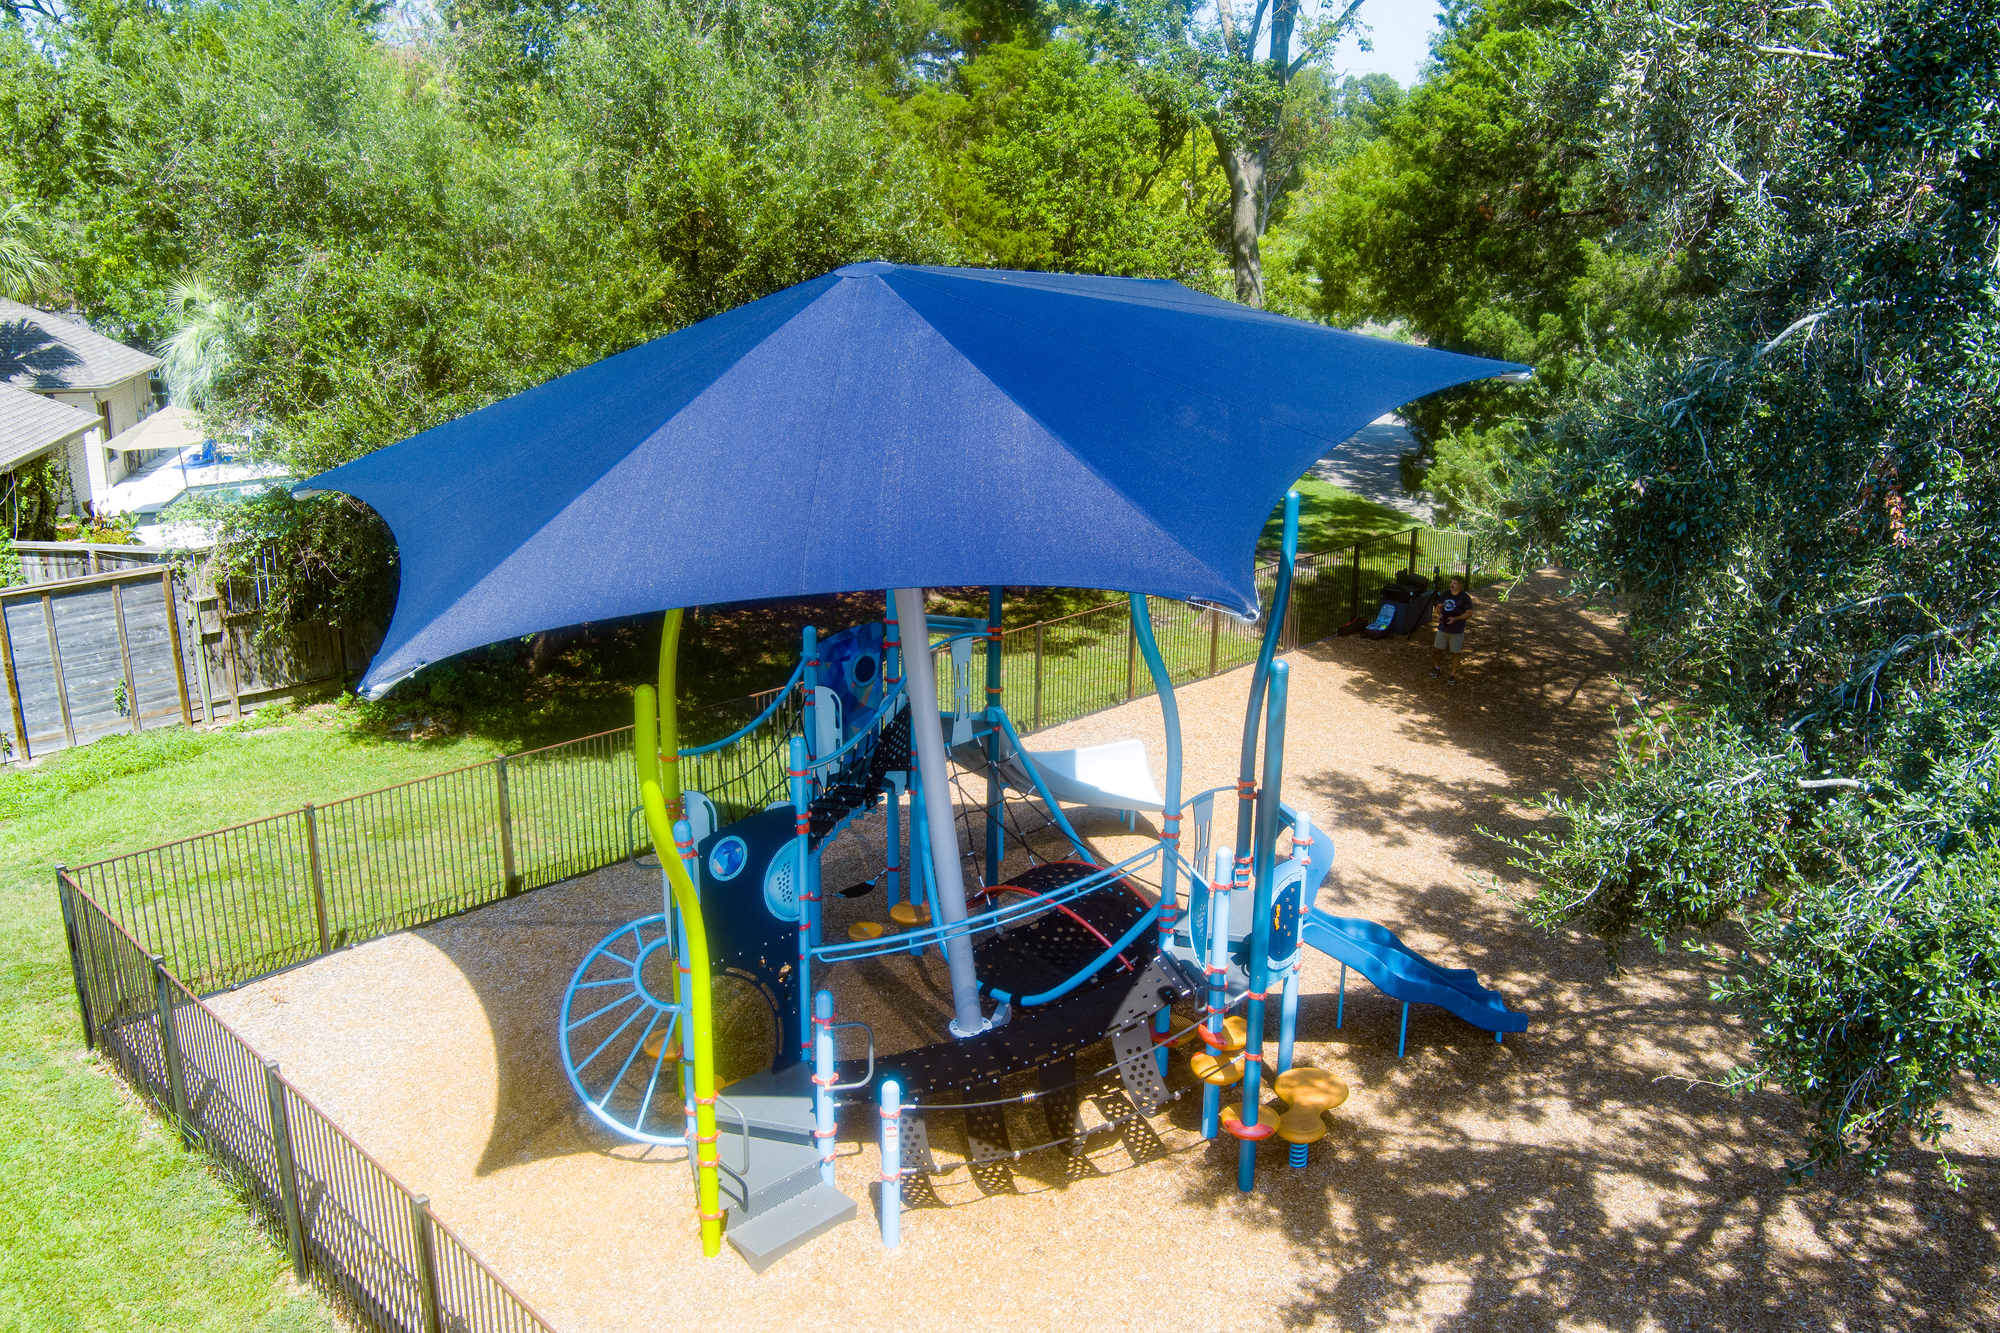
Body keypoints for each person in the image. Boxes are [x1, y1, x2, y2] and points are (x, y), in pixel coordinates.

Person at [1431, 577, 1471, 683]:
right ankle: (1436, 667)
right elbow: (1439, 607)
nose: (1452, 585)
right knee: (1437, 649)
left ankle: (1452, 674)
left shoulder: (1464, 597)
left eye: (1455, 583)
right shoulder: (1446, 594)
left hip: (1456, 630)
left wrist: (1456, 618)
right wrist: (1440, 615)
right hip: (1443, 627)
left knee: (1455, 653)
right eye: (1451, 583)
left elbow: (1469, 613)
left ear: (1460, 585)